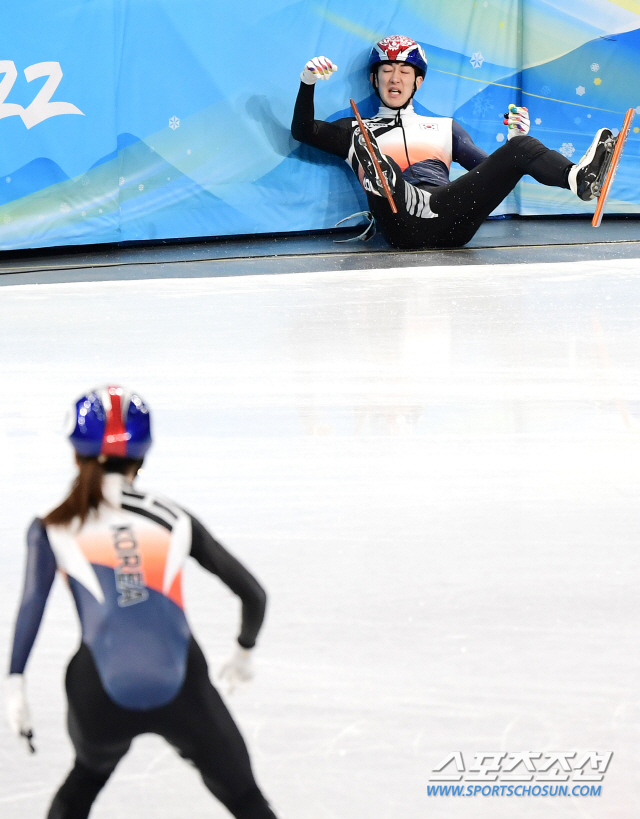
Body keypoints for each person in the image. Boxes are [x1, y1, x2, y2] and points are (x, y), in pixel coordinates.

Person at [5, 385, 279, 819]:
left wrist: (15, 684)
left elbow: (31, 606)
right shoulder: (172, 516)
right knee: (248, 802)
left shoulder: (52, 524)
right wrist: (243, 652)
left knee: (83, 783)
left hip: (99, 696)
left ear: (75, 454)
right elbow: (253, 594)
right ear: (143, 456)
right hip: (183, 689)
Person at [291, 35, 613, 249]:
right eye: (386, 70)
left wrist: (515, 144)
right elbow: (304, 131)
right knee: (377, 158)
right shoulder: (353, 130)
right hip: (400, 222)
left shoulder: (445, 127)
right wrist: (308, 82)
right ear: (374, 79)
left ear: (418, 81)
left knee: (520, 148)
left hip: (450, 217)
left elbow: (487, 170)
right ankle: (396, 186)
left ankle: (580, 178)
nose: (395, 78)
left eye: (404, 71)